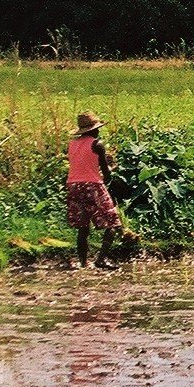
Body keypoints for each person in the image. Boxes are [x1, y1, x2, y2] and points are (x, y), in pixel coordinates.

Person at [65, 113, 125, 270]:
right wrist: (111, 167)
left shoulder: (71, 145)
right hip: (92, 186)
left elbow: (80, 163)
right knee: (112, 222)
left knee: (83, 227)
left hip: (73, 186)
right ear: (94, 130)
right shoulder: (97, 144)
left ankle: (83, 263)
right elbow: (106, 173)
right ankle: (101, 259)